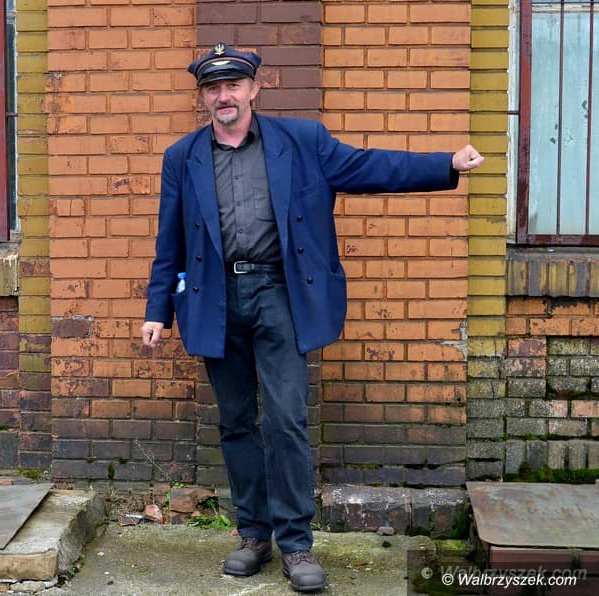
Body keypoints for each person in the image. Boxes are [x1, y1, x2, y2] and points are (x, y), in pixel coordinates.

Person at [140, 42, 483, 593]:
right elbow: (169, 239)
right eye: (213, 88)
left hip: (279, 293)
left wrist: (444, 164)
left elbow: (370, 167)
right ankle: (253, 536)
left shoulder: (303, 141)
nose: (224, 96)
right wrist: (158, 310)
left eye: (233, 85)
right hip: (215, 299)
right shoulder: (182, 157)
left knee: (285, 419)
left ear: (254, 89)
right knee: (236, 422)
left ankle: (296, 544)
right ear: (203, 97)